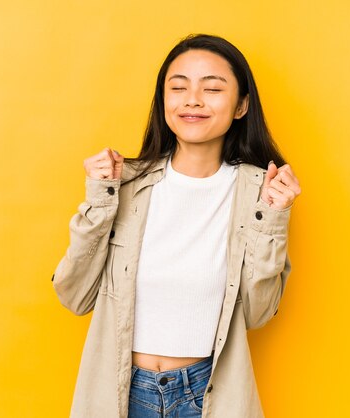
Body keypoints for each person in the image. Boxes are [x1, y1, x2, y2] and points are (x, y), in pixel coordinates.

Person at [52, 33, 301, 418]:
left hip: (207, 396)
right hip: (121, 392)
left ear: (241, 106)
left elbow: (257, 313)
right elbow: (74, 295)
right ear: (163, 101)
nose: (193, 100)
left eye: (213, 88)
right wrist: (100, 198)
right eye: (179, 87)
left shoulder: (259, 194)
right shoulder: (125, 184)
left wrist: (273, 217)